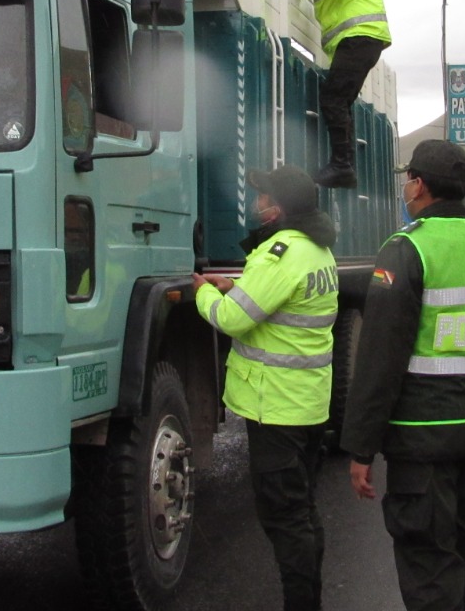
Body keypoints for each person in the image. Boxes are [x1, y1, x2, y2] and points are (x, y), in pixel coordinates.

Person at [341, 139, 465, 611]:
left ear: (419, 185)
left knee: (429, 562)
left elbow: (380, 359)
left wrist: (361, 447)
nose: (405, 186)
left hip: (422, 440)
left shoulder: (406, 249)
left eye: (408, 179)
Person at [193, 164, 338, 611]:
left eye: (264, 196)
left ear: (280, 207)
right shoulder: (317, 251)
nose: (257, 203)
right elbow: (277, 300)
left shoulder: (280, 251)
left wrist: (203, 291)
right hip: (305, 404)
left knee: (285, 519)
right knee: (302, 511)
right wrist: (234, 285)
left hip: (273, 407)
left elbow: (233, 319)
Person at [288, 0, 391, 189]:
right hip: (362, 40)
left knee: (333, 98)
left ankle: (342, 166)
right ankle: (344, 167)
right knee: (340, 101)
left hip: (359, 37)